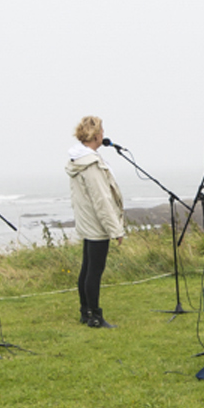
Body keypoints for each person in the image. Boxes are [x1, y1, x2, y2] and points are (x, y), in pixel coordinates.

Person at [66, 116, 128, 328]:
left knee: (87, 267)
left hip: (87, 220)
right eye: (101, 131)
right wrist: (115, 229)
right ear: (96, 135)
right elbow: (102, 199)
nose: (103, 134)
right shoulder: (90, 164)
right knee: (94, 270)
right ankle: (94, 316)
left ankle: (86, 311)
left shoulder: (79, 159)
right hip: (96, 223)